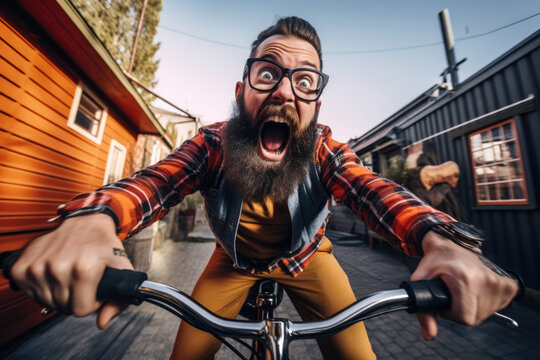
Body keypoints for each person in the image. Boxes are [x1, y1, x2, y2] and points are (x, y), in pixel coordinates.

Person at [10, 17, 519, 359]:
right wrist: (94, 218)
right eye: (268, 73)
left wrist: (442, 238)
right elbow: (156, 182)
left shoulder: (323, 150)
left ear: (316, 105)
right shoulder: (213, 144)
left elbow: (370, 190)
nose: (282, 90)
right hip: (230, 263)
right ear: (242, 91)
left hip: (308, 261)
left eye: (304, 82)